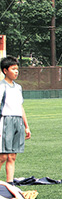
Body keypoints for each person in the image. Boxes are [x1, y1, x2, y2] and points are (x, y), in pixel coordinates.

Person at [0, 56, 31, 184]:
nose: (16, 72)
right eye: (13, 69)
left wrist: (26, 126)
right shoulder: (2, 86)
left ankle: (10, 183)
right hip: (5, 121)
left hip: (17, 122)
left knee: (12, 156)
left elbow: (20, 106)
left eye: (17, 69)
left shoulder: (18, 87)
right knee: (2, 156)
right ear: (5, 70)